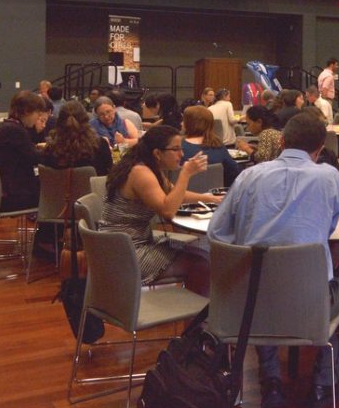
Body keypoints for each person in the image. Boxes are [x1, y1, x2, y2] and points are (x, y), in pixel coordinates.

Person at [208, 113, 339, 408]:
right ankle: (323, 383)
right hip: (309, 298)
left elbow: (217, 232)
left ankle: (271, 381)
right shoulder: (329, 176)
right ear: (319, 148)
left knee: (263, 284)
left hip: (250, 300)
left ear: (281, 141)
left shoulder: (249, 176)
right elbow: (329, 228)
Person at [101, 125, 217, 294]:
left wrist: (212, 199)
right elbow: (168, 210)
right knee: (202, 264)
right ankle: (195, 319)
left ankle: (193, 316)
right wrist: (185, 174)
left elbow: (174, 194)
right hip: (126, 254)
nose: (182, 155)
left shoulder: (145, 166)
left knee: (200, 254)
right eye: (176, 149)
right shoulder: (141, 173)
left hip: (119, 245)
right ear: (157, 153)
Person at [0, 91, 47, 212]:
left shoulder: (7, 127)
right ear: (26, 111)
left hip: (9, 190)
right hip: (14, 195)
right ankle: (47, 231)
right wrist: (51, 150)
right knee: (54, 194)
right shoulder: (15, 130)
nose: (37, 118)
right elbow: (36, 158)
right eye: (37, 114)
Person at [43, 100, 114, 176]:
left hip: (56, 187)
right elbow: (109, 174)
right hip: (92, 187)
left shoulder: (50, 148)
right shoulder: (100, 145)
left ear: (59, 122)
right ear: (86, 120)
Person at [180, 105, 240, 186]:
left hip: (184, 195)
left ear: (189, 123)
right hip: (215, 194)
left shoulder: (178, 147)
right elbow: (235, 173)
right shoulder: (218, 145)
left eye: (184, 120)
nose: (181, 123)